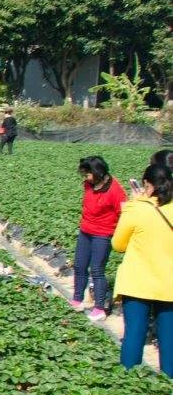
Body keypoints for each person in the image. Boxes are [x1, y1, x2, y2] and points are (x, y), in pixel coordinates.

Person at [112, 164, 173, 375]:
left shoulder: (137, 209)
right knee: (169, 339)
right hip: (169, 284)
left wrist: (133, 203)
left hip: (138, 282)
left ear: (146, 184)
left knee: (135, 334)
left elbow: (118, 245)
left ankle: (130, 384)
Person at [74, 157, 126, 320]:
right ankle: (77, 299)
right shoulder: (88, 184)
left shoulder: (115, 190)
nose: (85, 177)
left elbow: (123, 214)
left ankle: (99, 308)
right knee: (79, 265)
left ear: (97, 173)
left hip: (103, 234)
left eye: (87, 174)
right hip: (85, 231)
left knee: (97, 269)